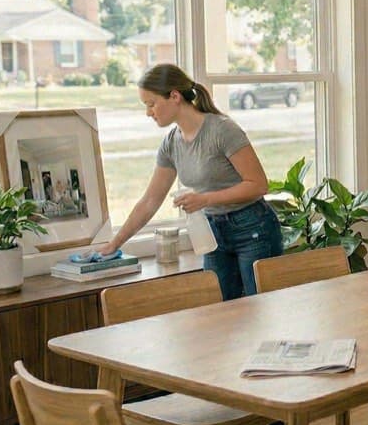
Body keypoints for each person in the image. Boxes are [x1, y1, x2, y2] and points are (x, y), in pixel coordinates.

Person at [95, 63, 284, 300]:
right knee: (220, 315)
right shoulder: (171, 143)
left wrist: (205, 199)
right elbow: (150, 200)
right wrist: (115, 244)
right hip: (214, 233)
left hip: (253, 229)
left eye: (151, 104)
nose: (148, 113)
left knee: (262, 311)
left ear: (174, 96)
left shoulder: (222, 130)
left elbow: (258, 184)